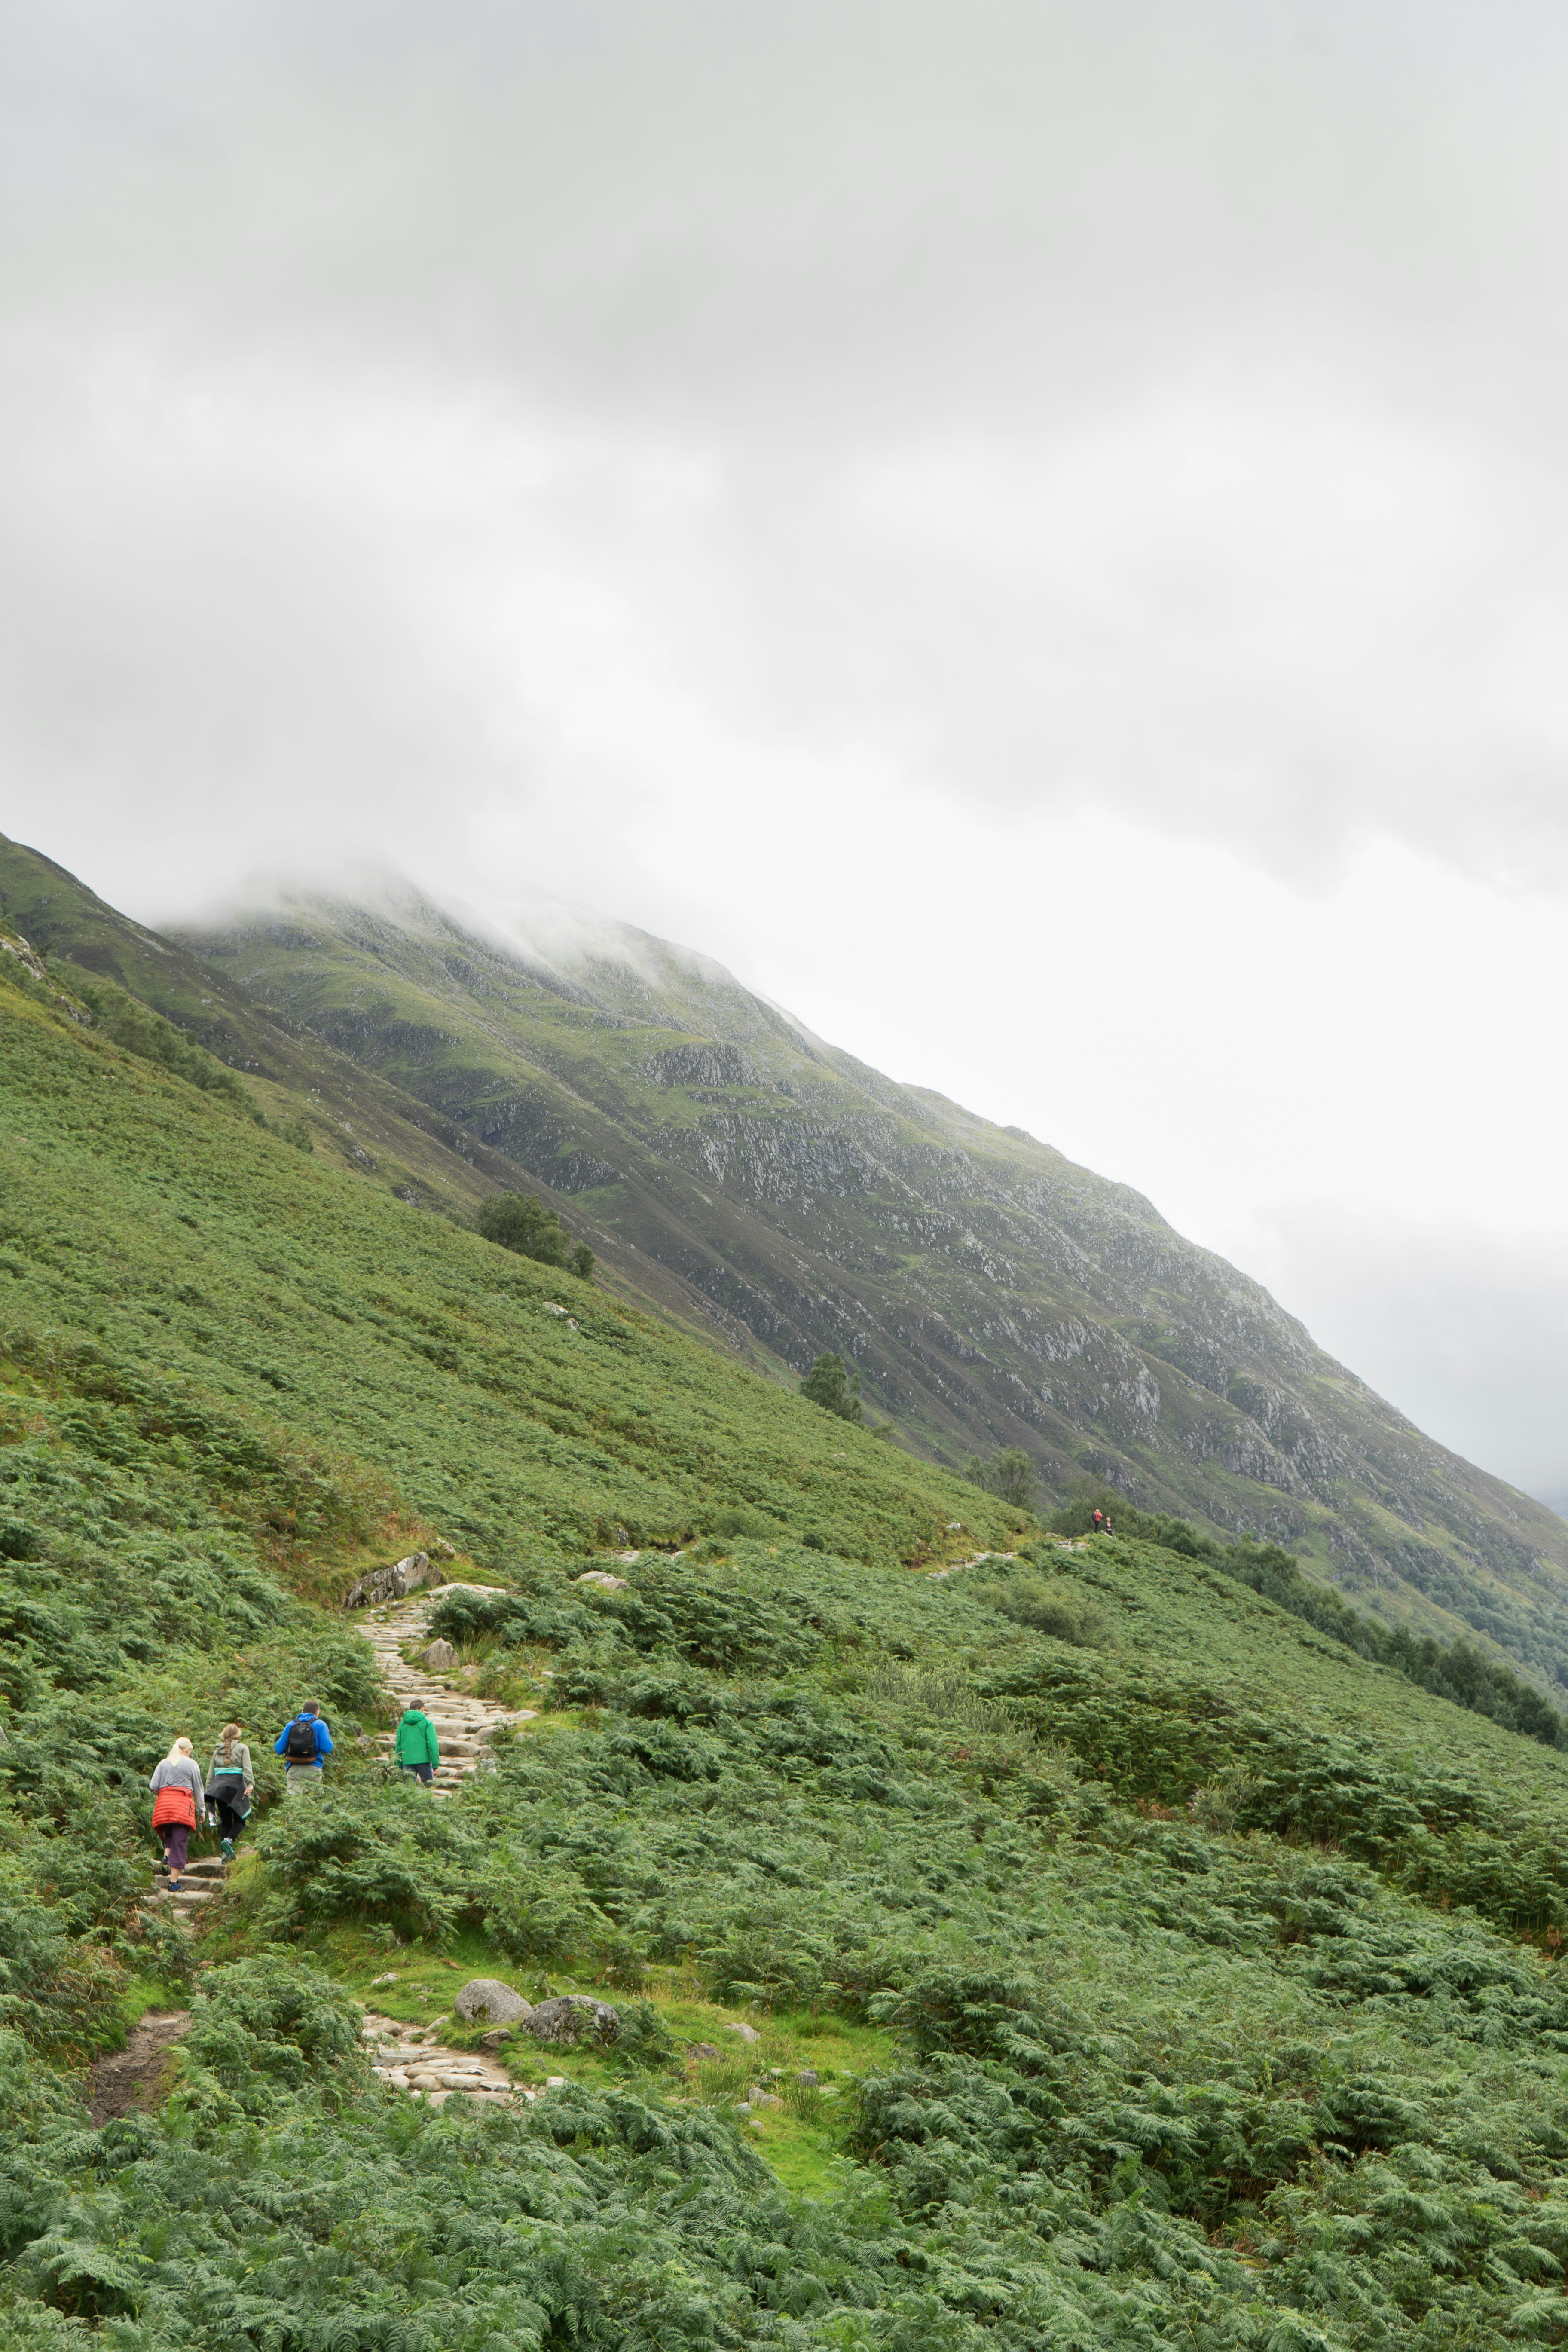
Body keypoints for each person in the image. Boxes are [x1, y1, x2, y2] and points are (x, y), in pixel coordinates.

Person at [148, 1737, 205, 1890]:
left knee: (170, 1835)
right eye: (190, 1751)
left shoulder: (163, 1763)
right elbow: (199, 1790)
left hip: (163, 1806)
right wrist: (202, 1811)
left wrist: (166, 1792)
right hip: (182, 1808)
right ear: (187, 1750)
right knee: (180, 1842)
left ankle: (166, 1858)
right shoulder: (192, 1765)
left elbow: (153, 1786)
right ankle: (173, 1883)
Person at [205, 1721, 254, 1858]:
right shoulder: (243, 1748)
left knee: (226, 1822)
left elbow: (211, 1775)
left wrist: (209, 1792)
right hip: (237, 1789)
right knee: (241, 1820)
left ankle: (225, 1855)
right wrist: (250, 1785)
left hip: (219, 1790)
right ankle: (230, 1840)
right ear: (238, 1736)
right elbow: (247, 1769)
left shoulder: (217, 1751)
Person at [274, 1701, 333, 1795]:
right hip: (314, 1769)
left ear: (303, 1712)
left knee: (294, 1802)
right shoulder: (320, 1725)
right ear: (317, 1713)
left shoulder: (291, 1724)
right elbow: (327, 1748)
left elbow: (279, 1749)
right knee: (314, 1801)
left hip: (294, 1769)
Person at [393, 1703, 440, 1785]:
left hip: (407, 1760)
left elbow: (398, 1745)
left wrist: (400, 1763)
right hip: (424, 1761)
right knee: (428, 1787)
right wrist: (435, 1764)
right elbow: (433, 1745)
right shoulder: (427, 1723)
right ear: (422, 1709)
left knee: (409, 1789)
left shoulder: (403, 1724)